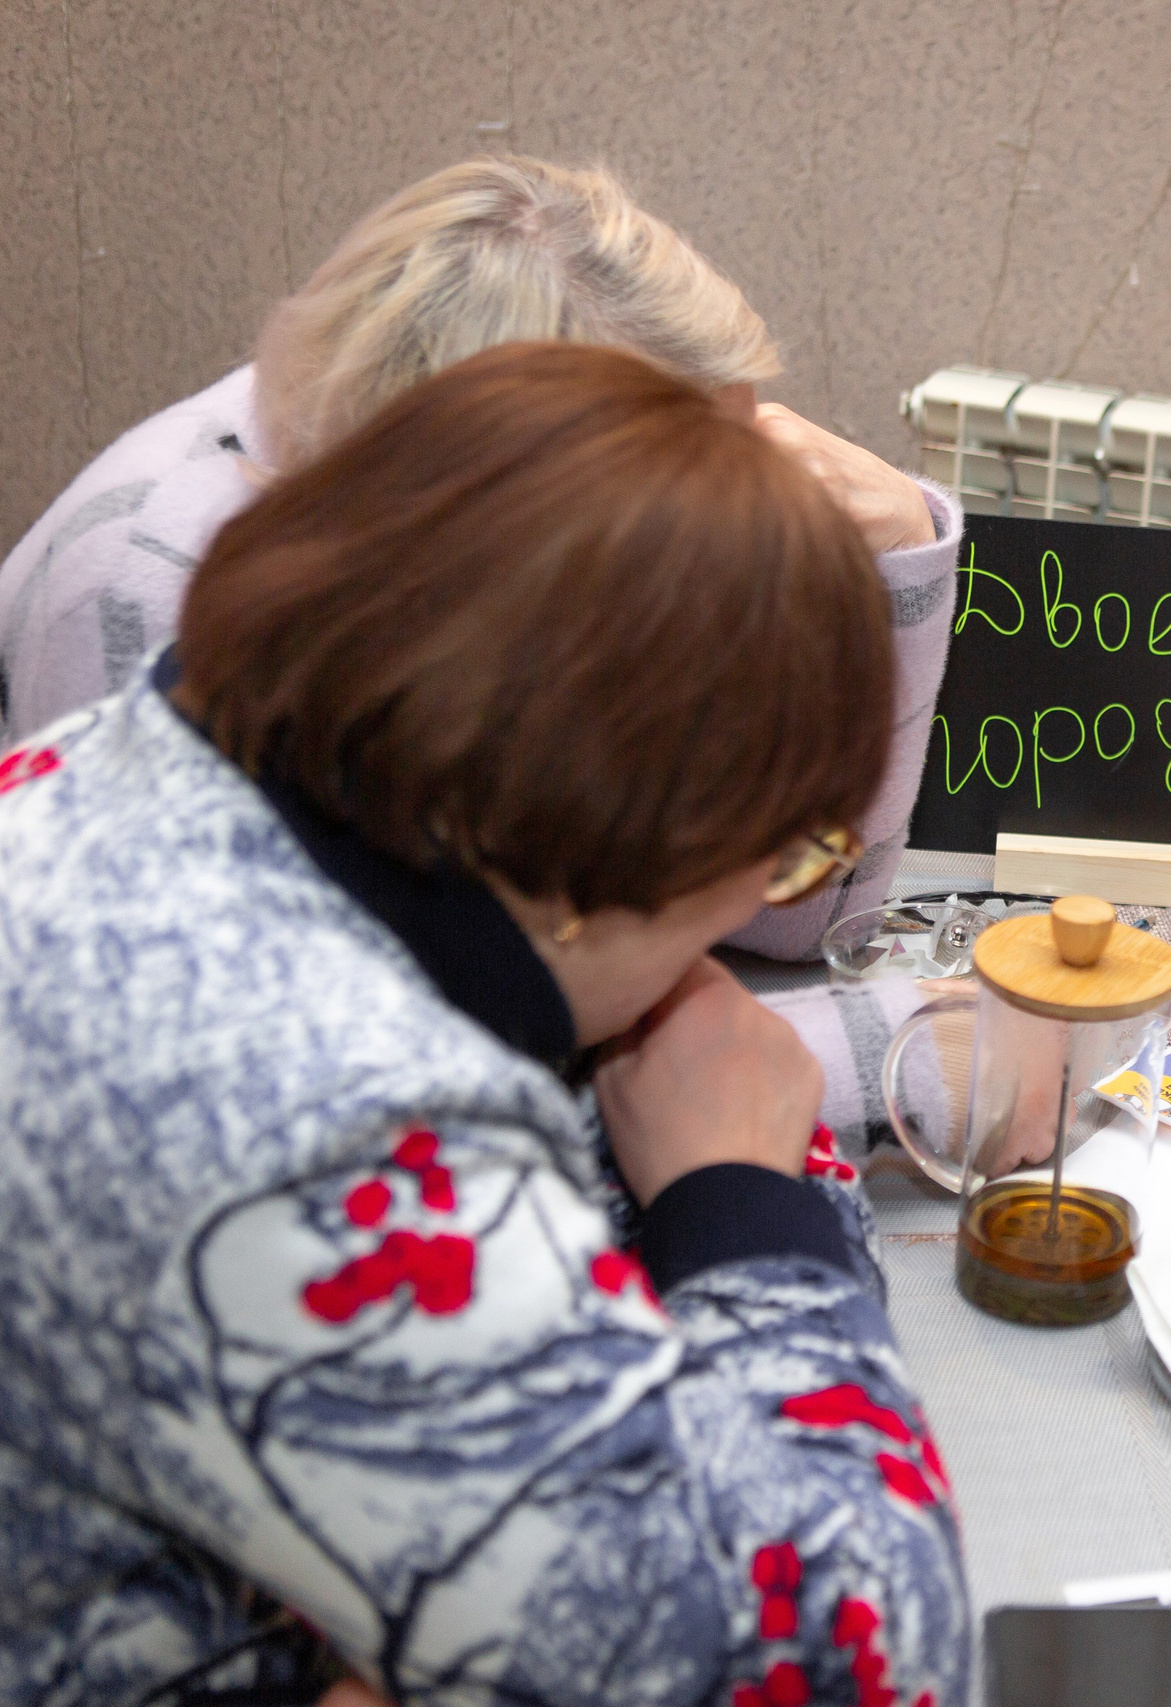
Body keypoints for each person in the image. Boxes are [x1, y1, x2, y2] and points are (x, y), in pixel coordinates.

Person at [0, 344, 967, 1704]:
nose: (777, 892)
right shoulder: (329, 1134)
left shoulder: (110, 758)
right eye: (795, 849)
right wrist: (747, 1206)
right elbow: (851, 1658)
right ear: (610, 853)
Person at [0, 155, 956, 1137]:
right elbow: (391, 1101)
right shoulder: (152, 594)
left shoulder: (470, 578)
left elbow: (798, 914)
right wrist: (893, 1063)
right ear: (492, 488)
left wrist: (898, 561)